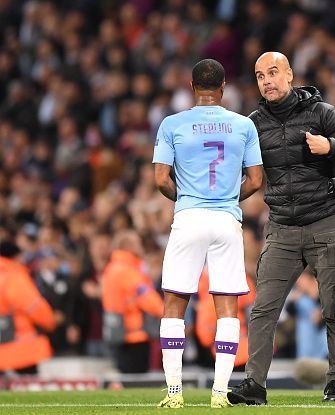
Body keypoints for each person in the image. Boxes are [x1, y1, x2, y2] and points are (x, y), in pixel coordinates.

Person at [229, 52, 335, 405]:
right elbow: (242, 172)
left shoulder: (322, 113)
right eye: (260, 76)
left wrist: (330, 147)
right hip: (282, 228)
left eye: (273, 73)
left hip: (325, 223)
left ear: (290, 74)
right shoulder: (252, 123)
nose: (267, 81)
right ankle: (255, 386)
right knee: (262, 309)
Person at [153, 59, 263, 409]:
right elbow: (257, 179)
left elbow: (160, 179)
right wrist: (229, 198)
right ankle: (219, 393)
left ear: (191, 86)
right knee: (227, 308)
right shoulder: (244, 125)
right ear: (223, 86)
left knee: (174, 305)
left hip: (189, 218)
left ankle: (174, 394)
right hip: (226, 221)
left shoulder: (172, 124)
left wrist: (184, 197)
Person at [101, 230, 163, 374]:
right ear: (129, 246)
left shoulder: (111, 268)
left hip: (118, 332)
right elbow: (147, 298)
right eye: (138, 243)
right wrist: (166, 313)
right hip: (134, 335)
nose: (141, 247)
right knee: (137, 383)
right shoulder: (128, 271)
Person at [0, 241, 56, 373]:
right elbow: (33, 306)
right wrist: (50, 321)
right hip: (19, 349)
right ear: (16, 257)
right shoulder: (13, 276)